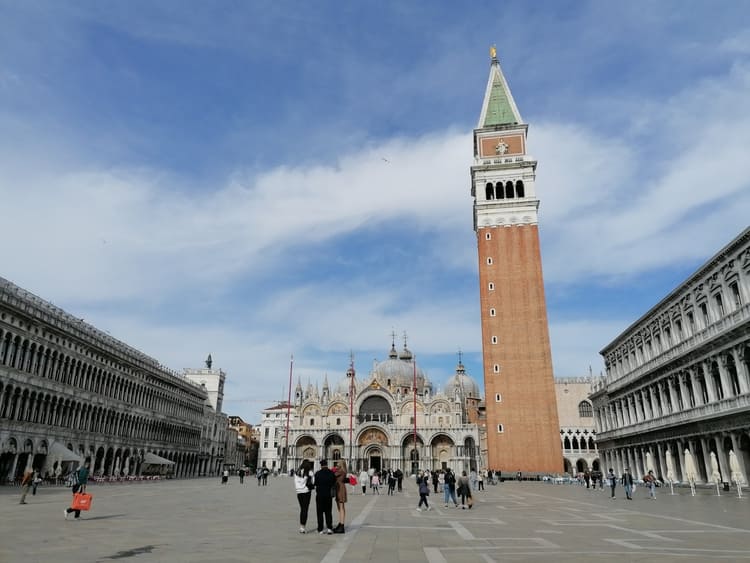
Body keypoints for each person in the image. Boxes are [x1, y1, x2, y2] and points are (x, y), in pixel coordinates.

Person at [314, 459, 336, 535]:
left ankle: (320, 529)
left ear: (321, 465)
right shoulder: (331, 473)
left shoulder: (317, 473)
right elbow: (334, 483)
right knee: (328, 512)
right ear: (327, 464)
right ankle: (329, 528)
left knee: (319, 512)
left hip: (320, 495)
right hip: (328, 495)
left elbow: (315, 483)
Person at [294, 460, 314, 533]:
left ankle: (301, 526)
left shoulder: (297, 472)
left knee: (302, 509)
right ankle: (302, 527)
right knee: (305, 509)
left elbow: (295, 482)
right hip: (306, 492)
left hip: (299, 492)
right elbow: (313, 482)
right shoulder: (310, 472)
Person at [332, 461, 348, 533]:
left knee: (341, 507)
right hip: (339, 488)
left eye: (338, 463)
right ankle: (340, 523)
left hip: (340, 489)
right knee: (340, 507)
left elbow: (332, 475)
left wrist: (333, 469)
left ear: (341, 464)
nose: (336, 464)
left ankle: (341, 526)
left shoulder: (341, 471)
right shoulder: (342, 471)